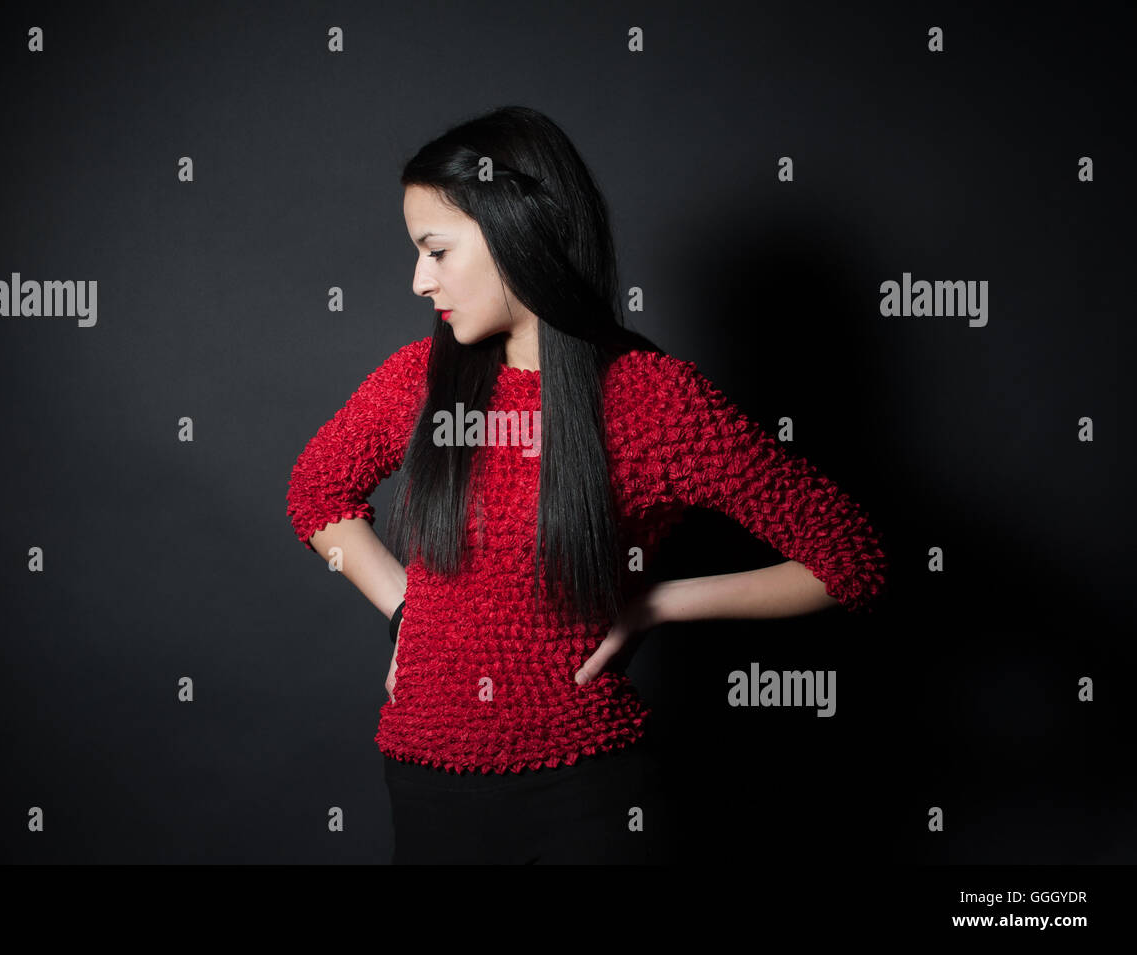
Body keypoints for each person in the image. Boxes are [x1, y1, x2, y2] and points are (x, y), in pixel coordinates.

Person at [285, 105, 888, 864]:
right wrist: (408, 608)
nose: (417, 279)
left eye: (436, 250)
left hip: (586, 797)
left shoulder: (650, 401)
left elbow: (851, 559)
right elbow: (316, 495)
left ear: (516, 232)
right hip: (425, 784)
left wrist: (654, 604)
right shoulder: (419, 381)